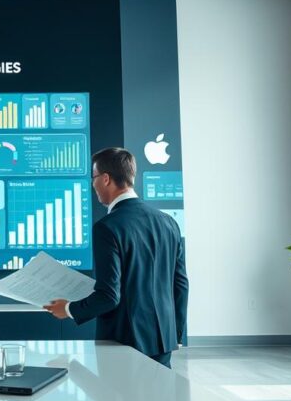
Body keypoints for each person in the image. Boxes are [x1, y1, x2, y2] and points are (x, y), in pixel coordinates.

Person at [43, 147, 188, 368]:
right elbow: (181, 285)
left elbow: (109, 296)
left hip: (125, 341)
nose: (92, 185)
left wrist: (69, 309)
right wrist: (175, 334)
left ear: (106, 179)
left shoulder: (107, 227)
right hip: (163, 340)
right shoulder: (168, 223)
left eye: (93, 178)